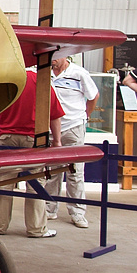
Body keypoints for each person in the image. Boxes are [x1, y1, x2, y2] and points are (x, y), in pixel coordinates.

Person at [0, 68, 65, 238]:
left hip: (7, 138)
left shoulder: (8, 80)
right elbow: (54, 114)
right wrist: (57, 141)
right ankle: (36, 228)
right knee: (35, 185)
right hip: (34, 139)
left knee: (4, 182)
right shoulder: (41, 82)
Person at [45, 56, 98, 228]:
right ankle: (49, 208)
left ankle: (77, 212)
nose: (52, 60)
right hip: (52, 127)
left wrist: (84, 116)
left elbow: (93, 96)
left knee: (75, 171)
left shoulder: (79, 73)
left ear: (64, 56)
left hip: (74, 125)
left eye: (55, 57)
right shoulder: (45, 73)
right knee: (52, 171)